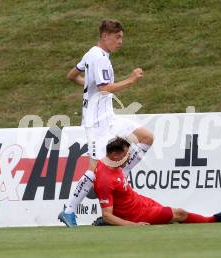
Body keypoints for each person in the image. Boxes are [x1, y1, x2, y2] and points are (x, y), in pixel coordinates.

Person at [58, 19, 154, 227]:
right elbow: (104, 89)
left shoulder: (91, 53)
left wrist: (88, 86)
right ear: (105, 36)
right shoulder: (99, 58)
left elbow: (71, 75)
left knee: (146, 137)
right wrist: (131, 79)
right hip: (96, 123)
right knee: (94, 169)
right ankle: (69, 210)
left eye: (121, 37)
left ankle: (119, 177)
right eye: (117, 37)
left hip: (109, 117)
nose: (120, 41)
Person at [93, 137, 221, 226]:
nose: (129, 158)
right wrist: (133, 225)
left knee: (171, 216)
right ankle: (213, 220)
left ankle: (110, 224)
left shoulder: (111, 163)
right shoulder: (104, 180)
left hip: (139, 202)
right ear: (114, 154)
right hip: (135, 215)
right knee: (179, 214)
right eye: (125, 155)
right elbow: (107, 214)